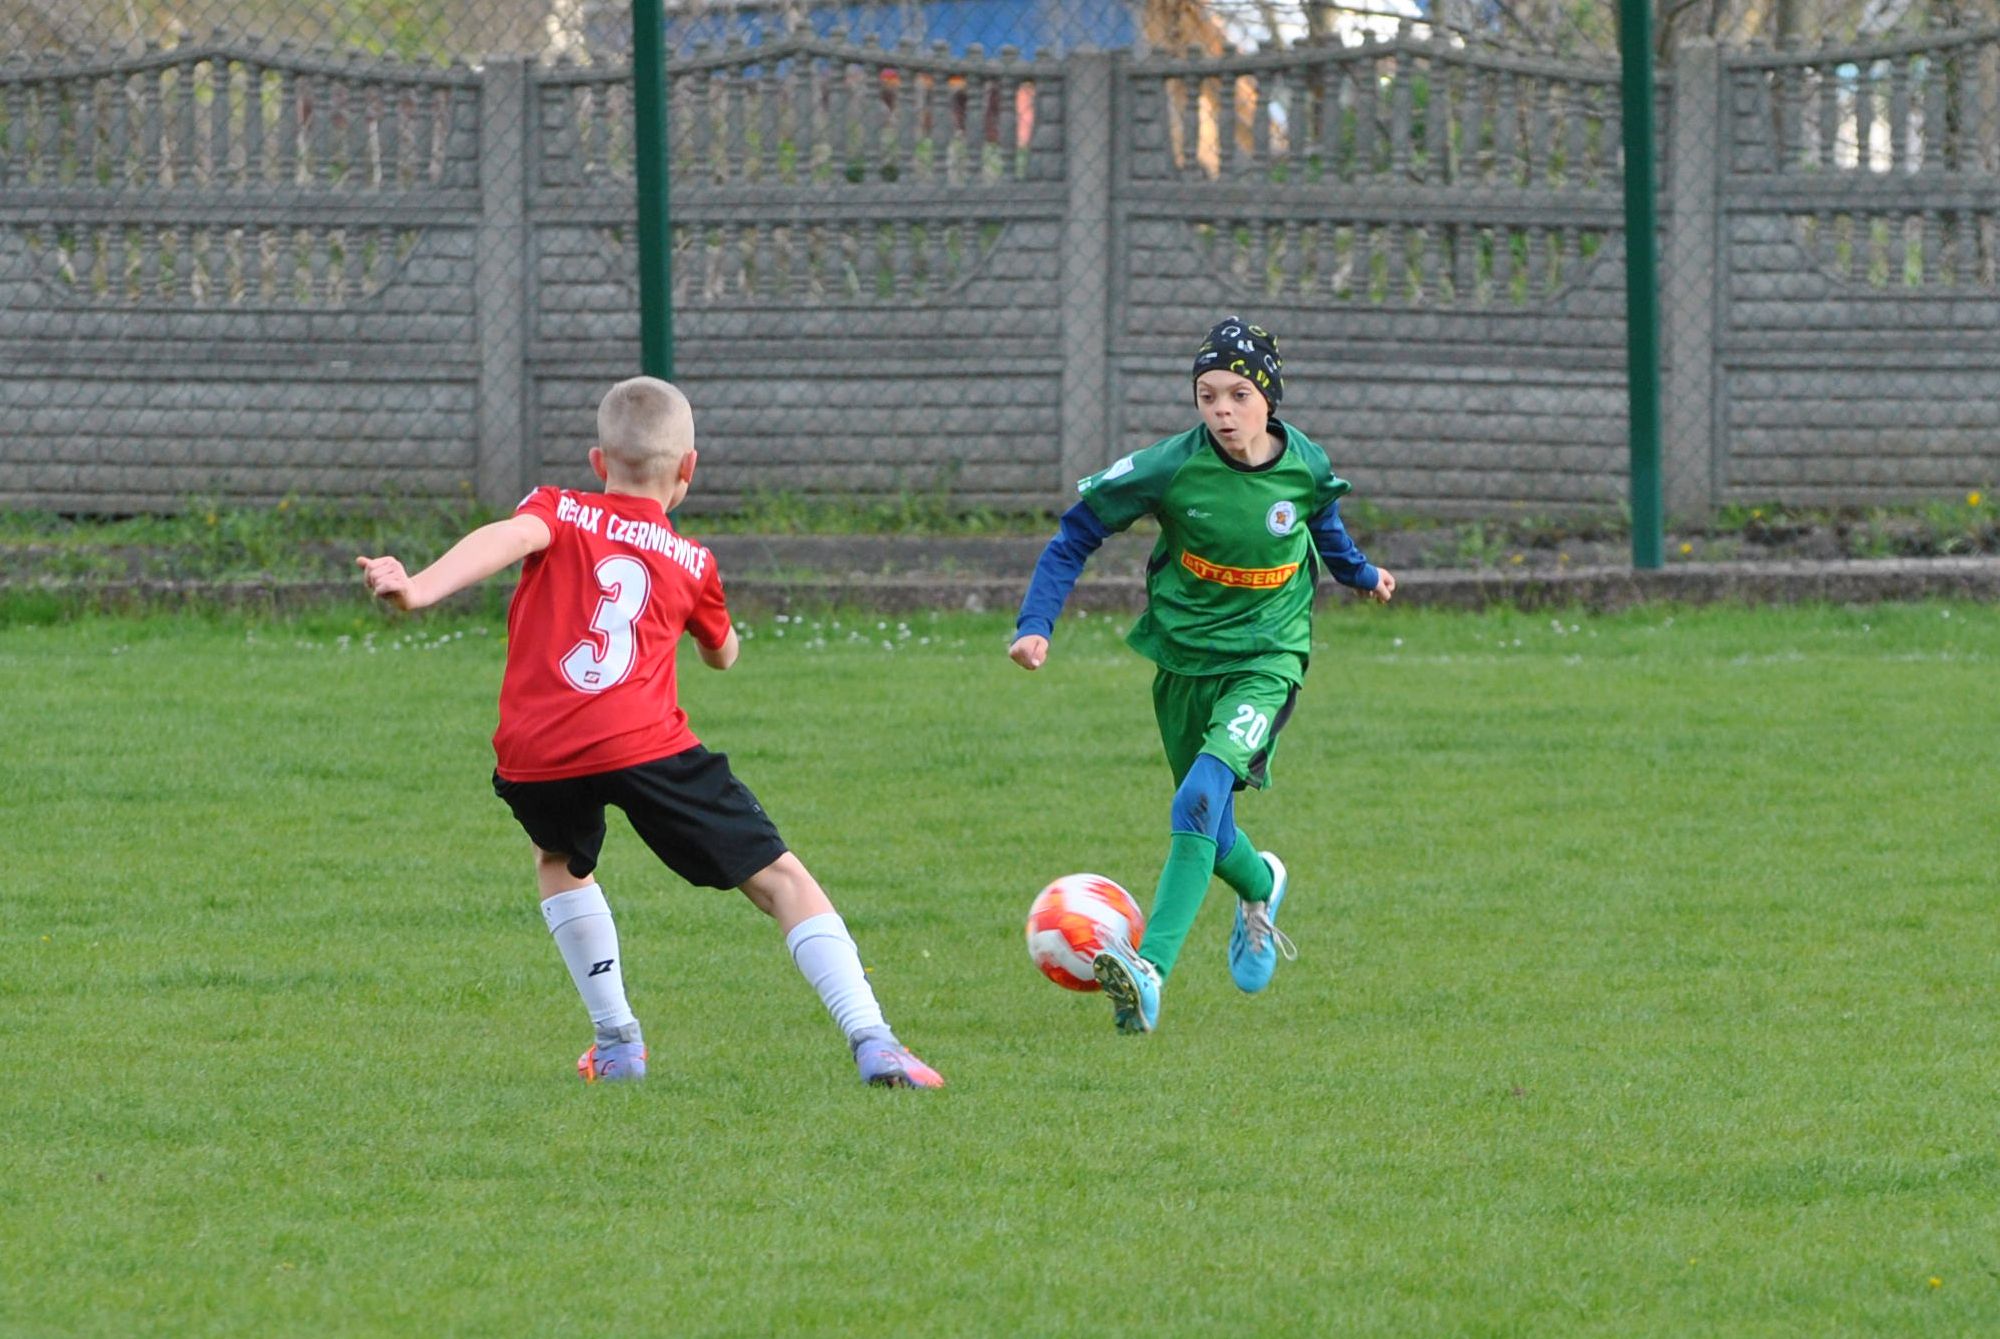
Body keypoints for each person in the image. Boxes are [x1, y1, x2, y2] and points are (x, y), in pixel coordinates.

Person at [356, 375, 943, 1088]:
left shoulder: (560, 508)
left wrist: (417, 587)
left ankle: (617, 1041)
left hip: (538, 749)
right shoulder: (693, 562)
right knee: (780, 879)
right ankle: (873, 1038)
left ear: (598, 463)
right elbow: (721, 653)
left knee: (560, 857)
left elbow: (506, 539)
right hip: (644, 744)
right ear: (688, 470)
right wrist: (712, 640)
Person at [1009, 317, 1395, 1034]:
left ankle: (1148, 970)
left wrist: (1362, 575)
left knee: (1198, 796)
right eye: (1207, 394)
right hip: (1183, 661)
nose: (1222, 410)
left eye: (1238, 394)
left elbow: (1325, 525)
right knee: (1207, 822)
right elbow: (1074, 534)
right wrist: (1036, 624)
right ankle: (1261, 884)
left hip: (1267, 659)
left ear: (1268, 399)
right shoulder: (1169, 467)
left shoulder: (1304, 464)